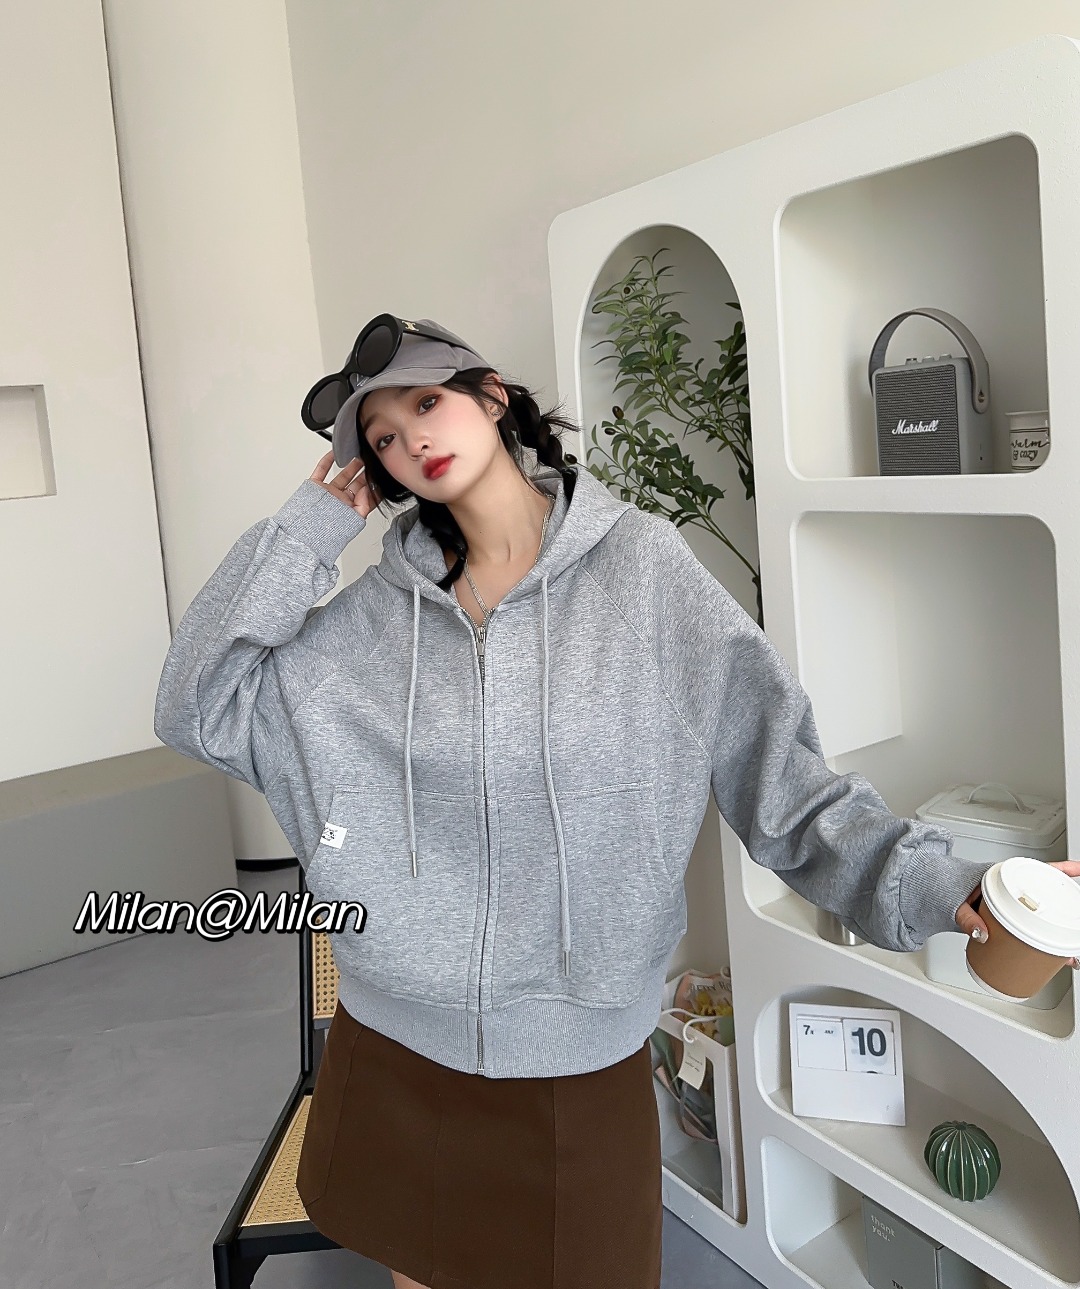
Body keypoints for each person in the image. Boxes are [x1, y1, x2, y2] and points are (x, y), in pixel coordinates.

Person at [153, 314, 1076, 1289]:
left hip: (574, 1066)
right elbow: (196, 704)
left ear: (492, 395)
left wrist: (942, 884)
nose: (410, 439)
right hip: (393, 1054)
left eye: (426, 402)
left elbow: (786, 782)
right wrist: (308, 529)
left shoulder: (644, 575)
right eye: (381, 437)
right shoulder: (371, 624)